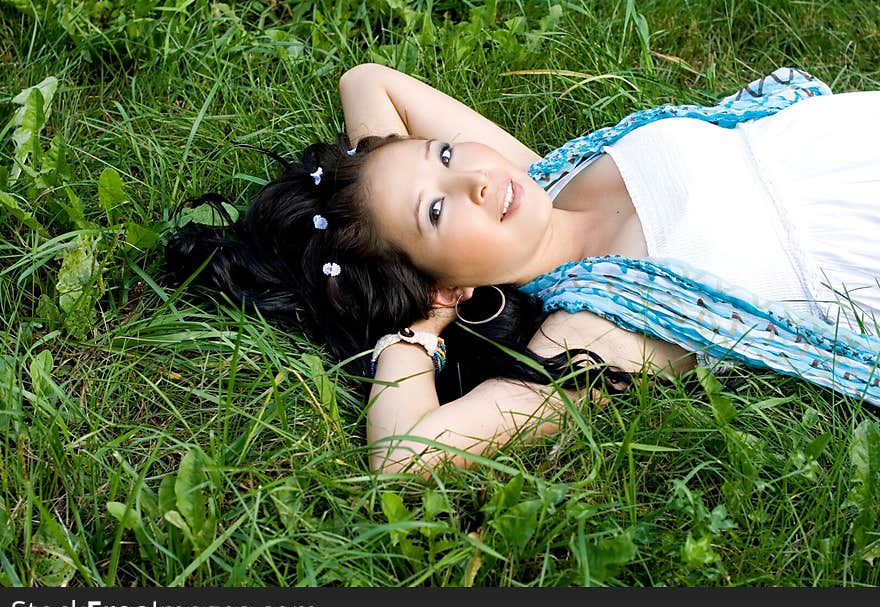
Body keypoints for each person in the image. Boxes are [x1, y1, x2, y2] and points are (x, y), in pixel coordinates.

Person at [164, 63, 880, 477]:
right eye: (438, 215)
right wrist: (416, 323)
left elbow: (368, 81)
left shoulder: (548, 175)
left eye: (443, 155)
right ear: (448, 284)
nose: (473, 179)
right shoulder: (597, 331)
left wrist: (377, 198)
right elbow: (404, 455)